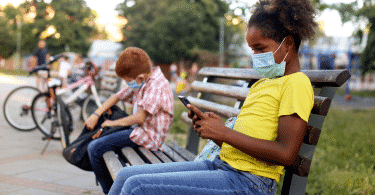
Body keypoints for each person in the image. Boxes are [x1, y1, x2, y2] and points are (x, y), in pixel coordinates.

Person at [108, 0, 317, 194]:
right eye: (253, 50)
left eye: (260, 49)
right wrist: (217, 132)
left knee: (137, 187)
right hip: (221, 166)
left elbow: (286, 154)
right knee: (126, 175)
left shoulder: (296, 84)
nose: (255, 57)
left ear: (288, 44)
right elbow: (249, 138)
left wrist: (225, 133)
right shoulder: (264, 84)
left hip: (249, 182)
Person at [84, 47, 174, 194]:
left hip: (149, 137)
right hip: (137, 131)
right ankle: (118, 189)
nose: (128, 84)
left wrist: (111, 123)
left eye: (128, 81)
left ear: (139, 77)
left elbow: (140, 117)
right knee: (99, 143)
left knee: (95, 148)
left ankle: (111, 191)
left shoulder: (155, 85)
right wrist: (96, 114)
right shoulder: (143, 79)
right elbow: (117, 96)